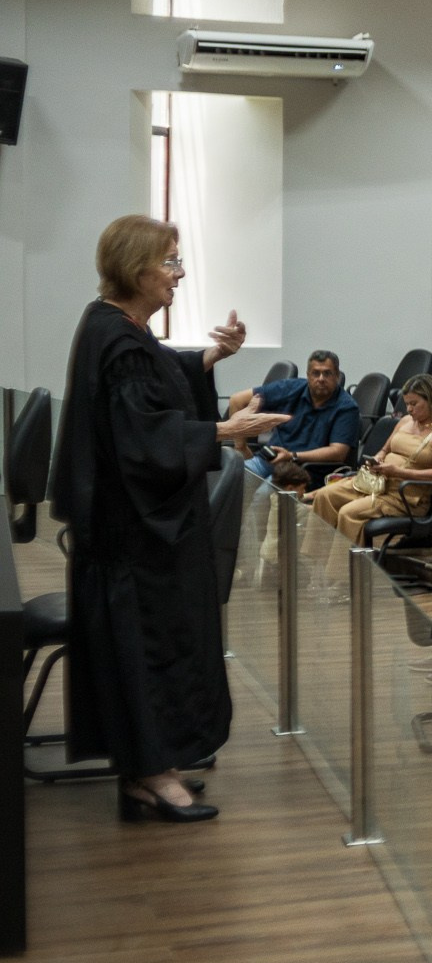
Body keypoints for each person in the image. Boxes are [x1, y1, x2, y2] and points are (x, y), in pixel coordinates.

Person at [52, 215, 289, 822]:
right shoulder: (119, 338)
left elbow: (157, 375)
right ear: (137, 269)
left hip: (131, 528)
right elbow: (142, 436)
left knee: (155, 643)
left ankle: (146, 767)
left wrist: (211, 356)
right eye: (170, 262)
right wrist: (224, 429)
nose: (178, 275)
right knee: (148, 645)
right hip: (135, 536)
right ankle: (153, 772)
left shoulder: (113, 326)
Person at [307, 374, 432, 571]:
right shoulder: (405, 421)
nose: (409, 409)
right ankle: (315, 562)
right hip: (377, 484)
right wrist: (378, 458)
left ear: (430, 400)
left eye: (414, 403)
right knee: (324, 496)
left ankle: (343, 577)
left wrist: (398, 471)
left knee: (349, 513)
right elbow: (385, 449)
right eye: (407, 404)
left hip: (405, 497)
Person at [226, 349, 359, 480]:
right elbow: (237, 400)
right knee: (233, 478)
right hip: (269, 460)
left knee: (262, 496)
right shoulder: (291, 388)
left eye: (327, 373)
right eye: (316, 373)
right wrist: (241, 447)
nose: (321, 379)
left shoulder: (347, 407)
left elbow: (337, 452)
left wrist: (292, 455)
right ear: (308, 375)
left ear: (337, 376)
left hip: (304, 469)